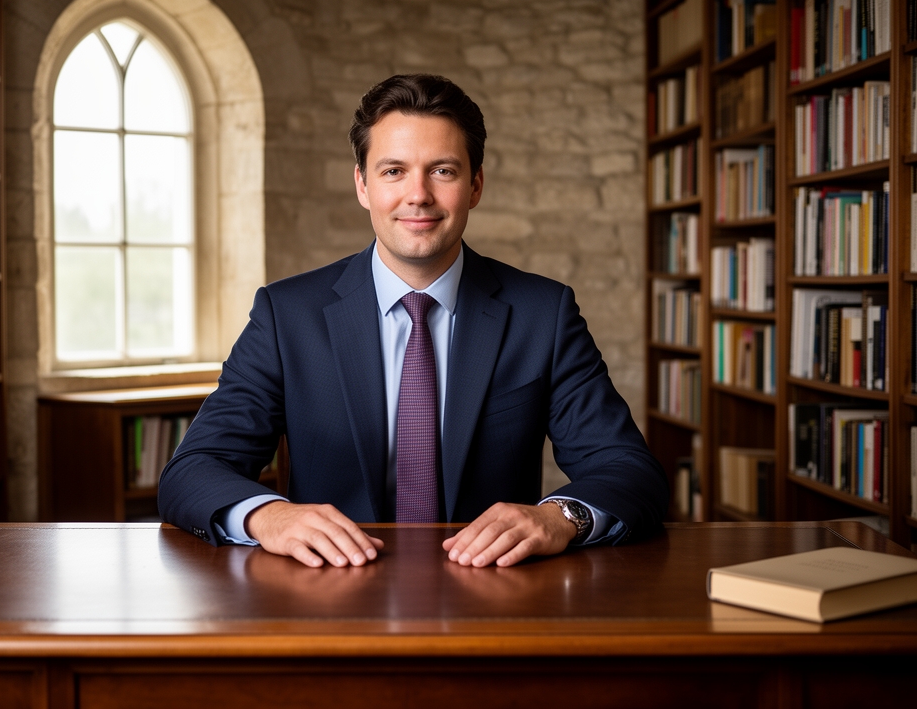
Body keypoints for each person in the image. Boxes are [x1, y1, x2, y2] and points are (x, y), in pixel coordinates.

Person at [158, 73, 668, 569]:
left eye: (443, 170)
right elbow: (194, 470)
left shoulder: (543, 314)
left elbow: (628, 471)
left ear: (475, 185)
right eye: (393, 171)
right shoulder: (287, 315)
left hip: (493, 596)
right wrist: (268, 518)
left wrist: (561, 517)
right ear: (362, 185)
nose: (418, 194)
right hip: (331, 594)